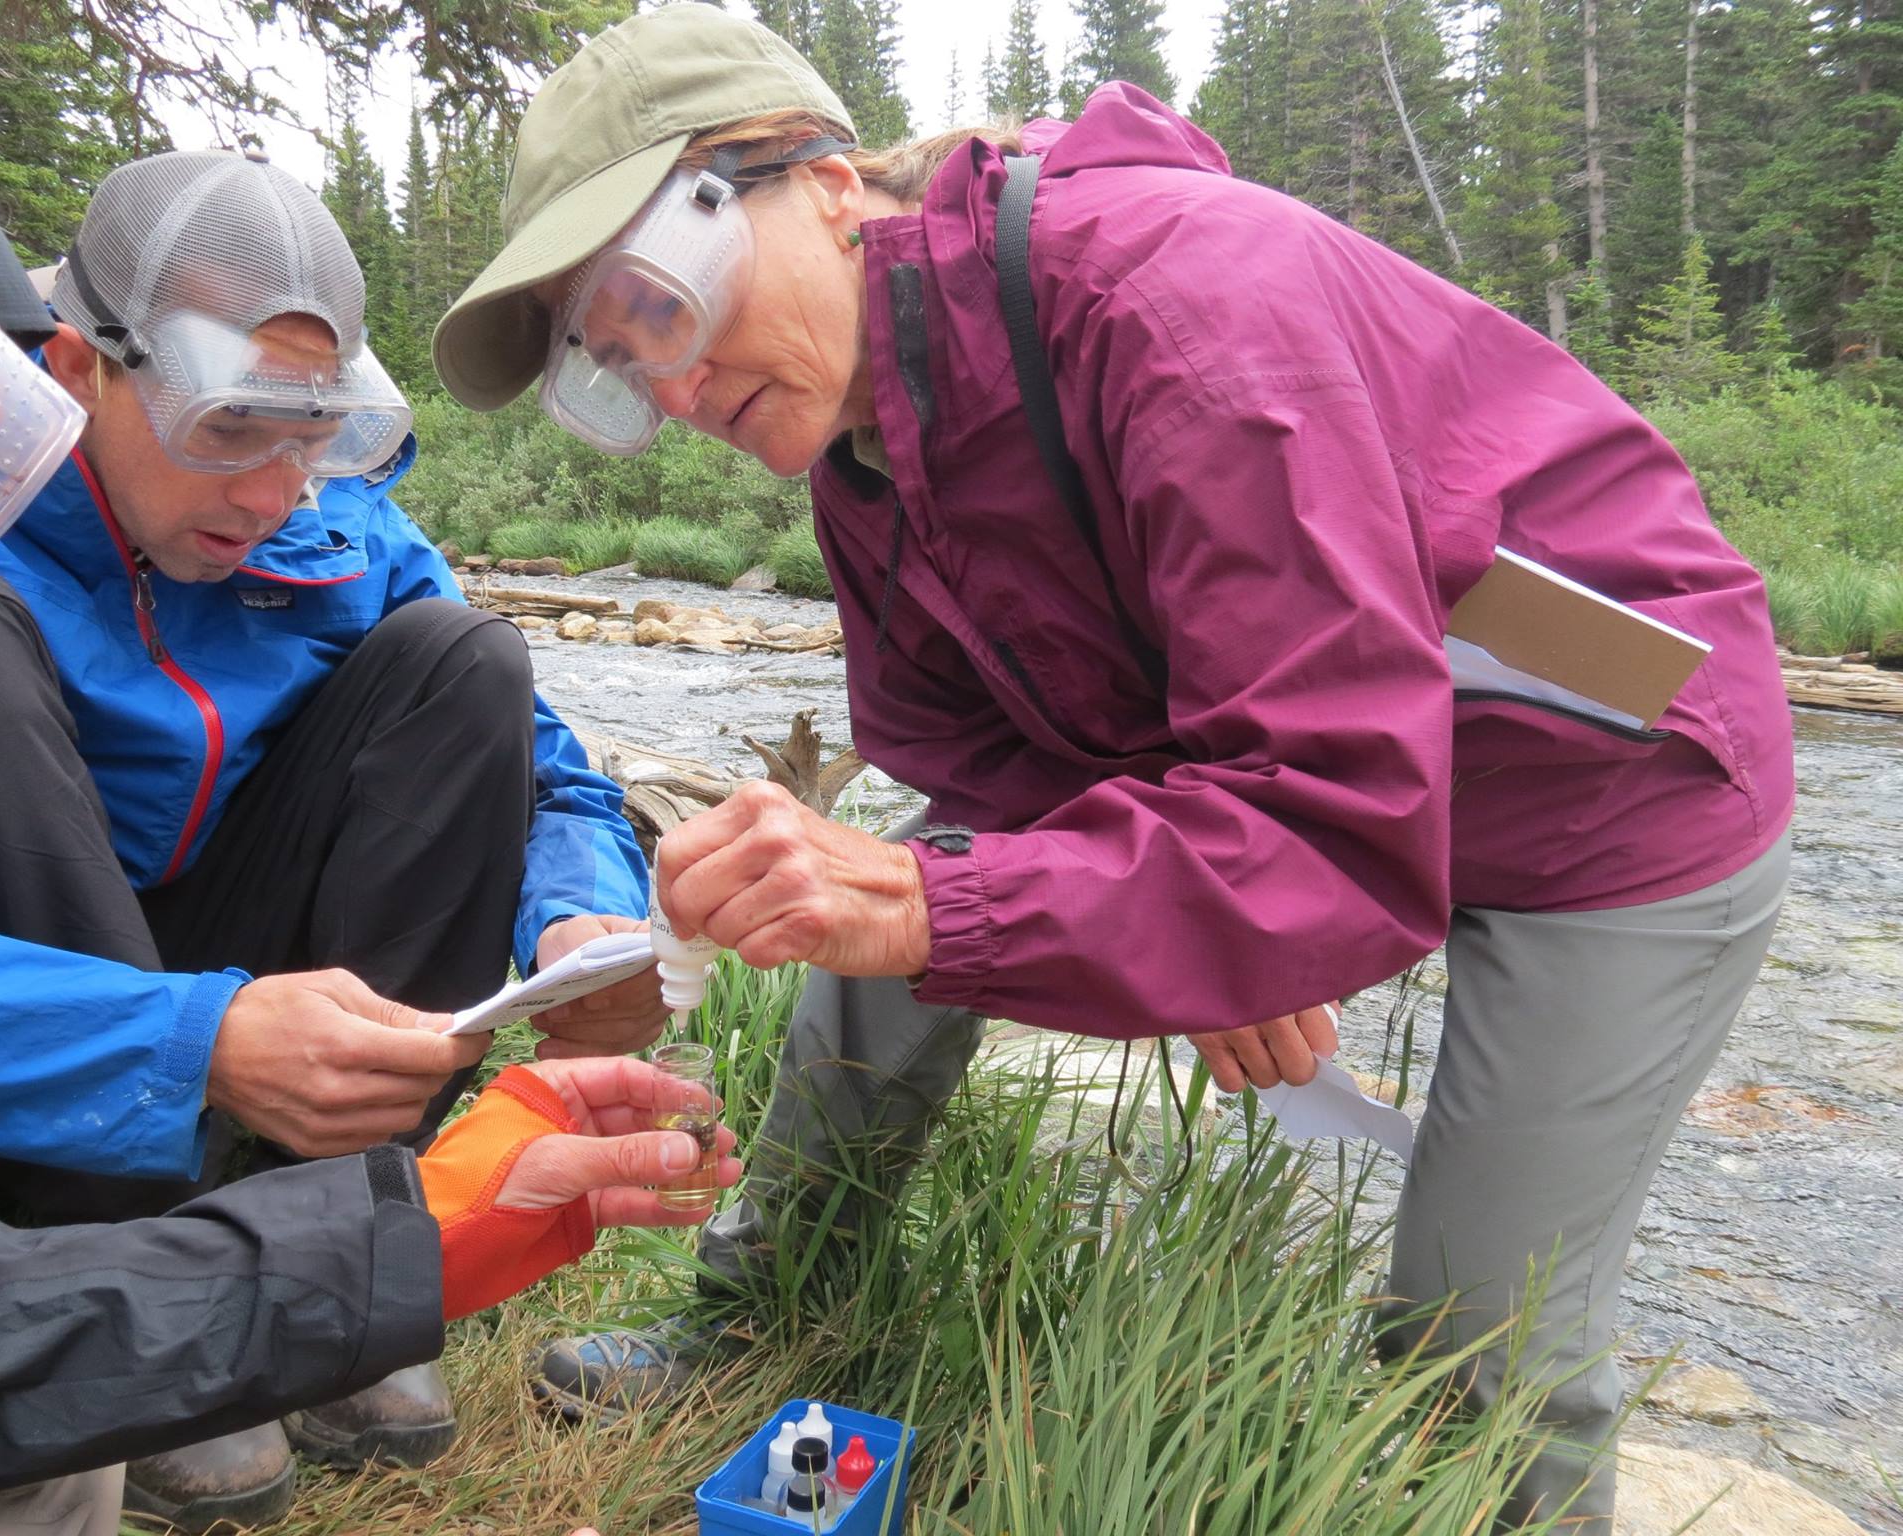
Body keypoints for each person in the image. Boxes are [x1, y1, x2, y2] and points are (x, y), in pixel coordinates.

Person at [430, 6, 1798, 1528]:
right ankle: (760, 1315)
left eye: (662, 304)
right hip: (1315, 778)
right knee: (886, 895)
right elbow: (971, 748)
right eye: (616, 371)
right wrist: (1189, 930)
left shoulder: (1187, 309)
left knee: (1480, 1315)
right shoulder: (870, 442)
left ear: (823, 185)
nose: (674, 394)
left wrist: (1121, 903)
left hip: (1615, 792)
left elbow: (1333, 816)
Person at [0, 13, 737, 1533]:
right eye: (228, 431)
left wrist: (577, 920)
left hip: (222, 968)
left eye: (312, 440)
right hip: (15, 972)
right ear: (77, 369)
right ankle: (114, 1257)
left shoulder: (339, 537)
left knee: (467, 660)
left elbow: (552, 777)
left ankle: (329, 1242)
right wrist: (193, 1037)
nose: (271, 496)